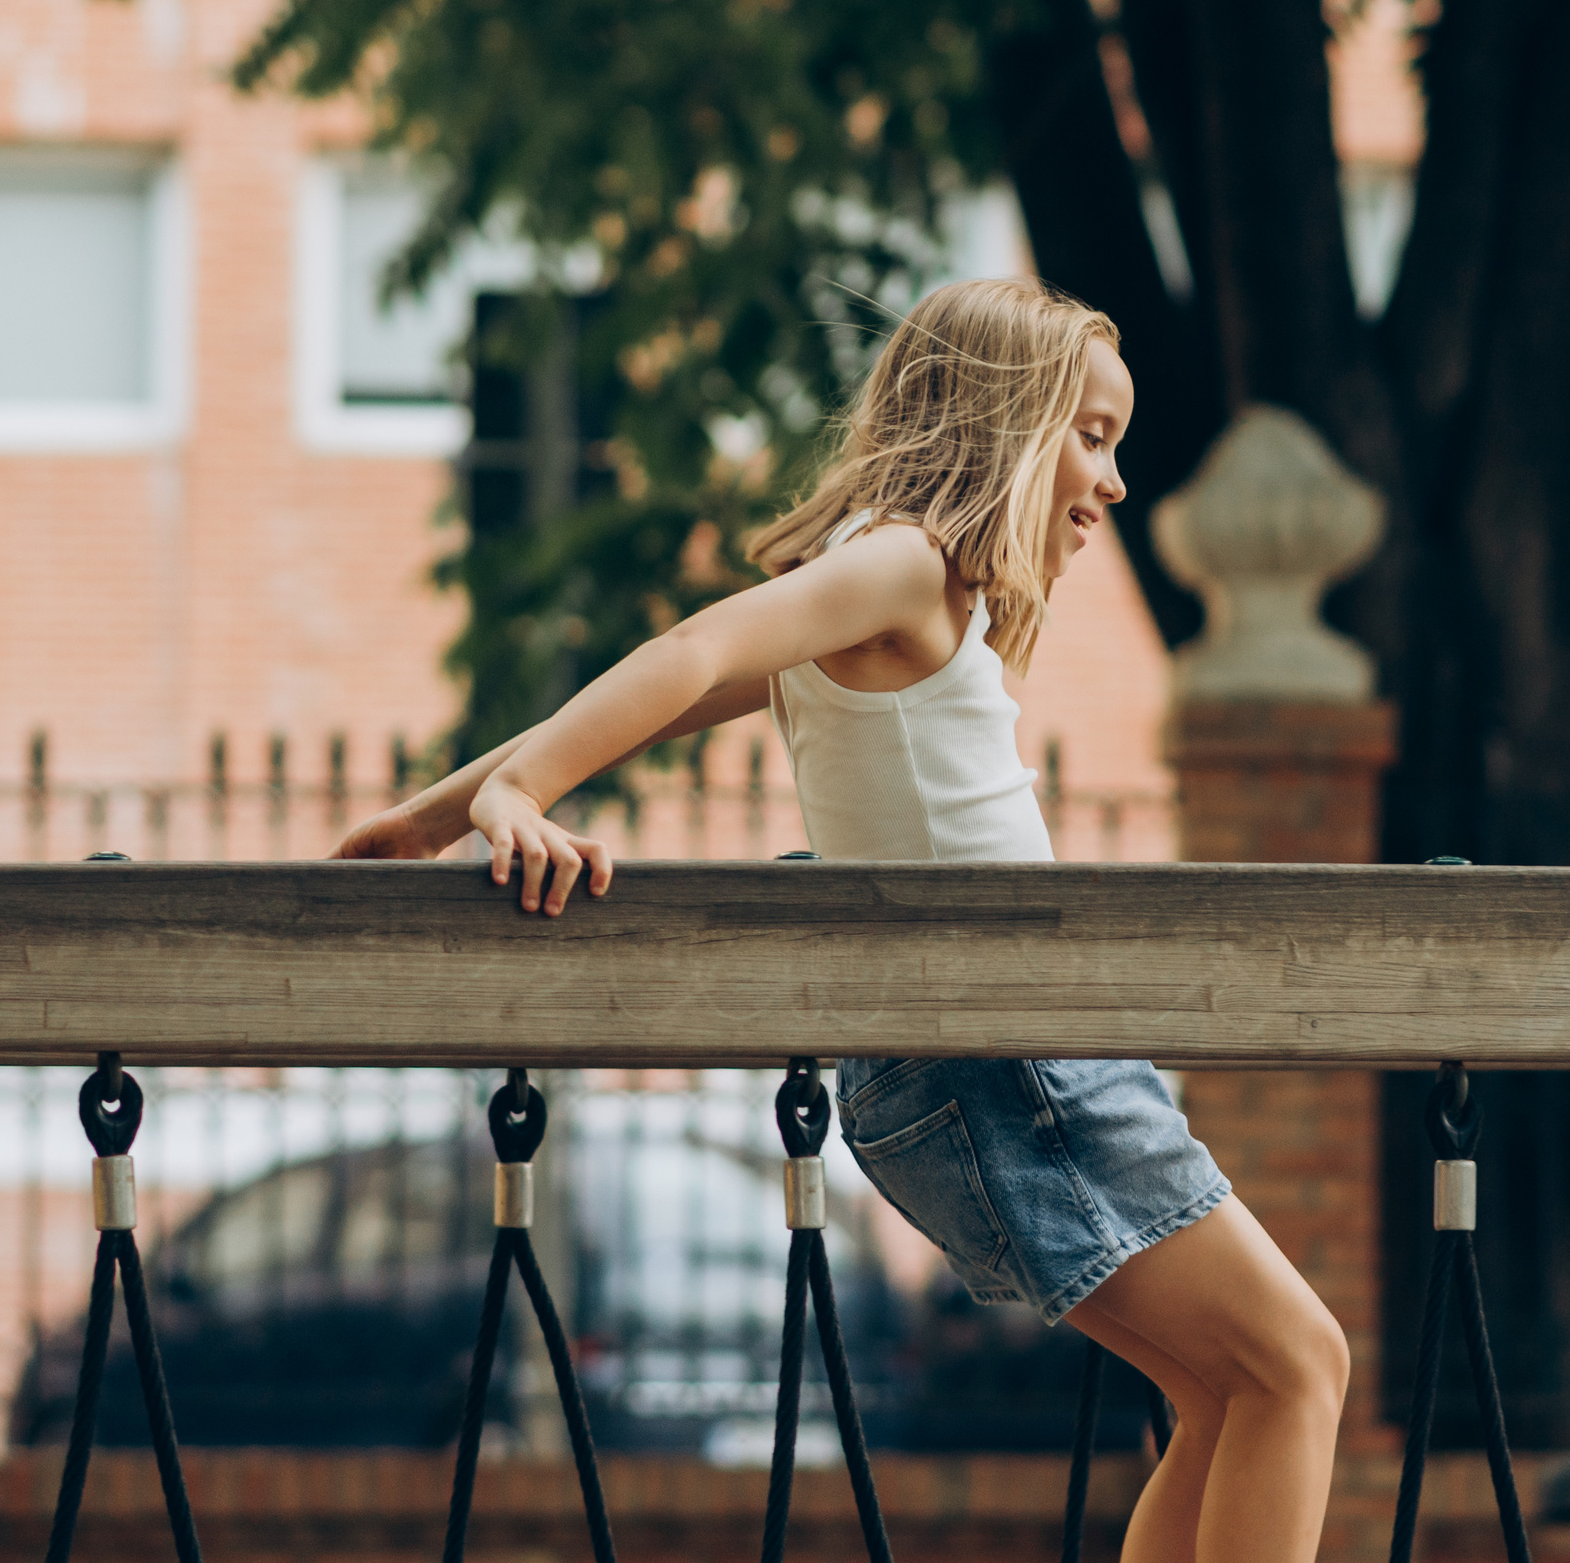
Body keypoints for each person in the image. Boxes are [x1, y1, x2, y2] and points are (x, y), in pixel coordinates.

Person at [331, 277, 1349, 1562]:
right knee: (1298, 1363)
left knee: (1221, 1394)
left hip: (976, 1058)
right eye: (1090, 435)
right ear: (1004, 420)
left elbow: (697, 686)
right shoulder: (901, 565)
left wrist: (437, 814)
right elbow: (697, 648)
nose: (1115, 479)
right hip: (1006, 1056)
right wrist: (518, 793)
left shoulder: (895, 594)